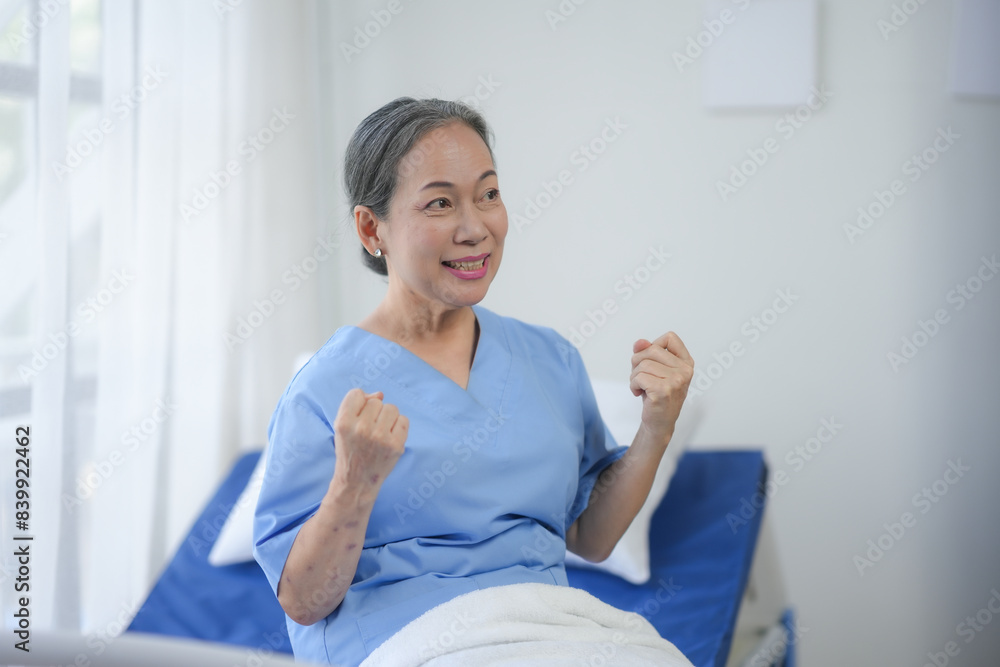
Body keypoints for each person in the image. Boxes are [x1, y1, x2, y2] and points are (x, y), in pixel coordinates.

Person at [253, 97, 695, 666]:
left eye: (488, 194)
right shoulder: (326, 387)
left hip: (548, 634)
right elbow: (303, 600)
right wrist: (354, 483)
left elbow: (591, 537)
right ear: (371, 228)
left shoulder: (550, 360)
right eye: (440, 203)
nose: (475, 228)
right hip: (407, 645)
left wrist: (656, 427)